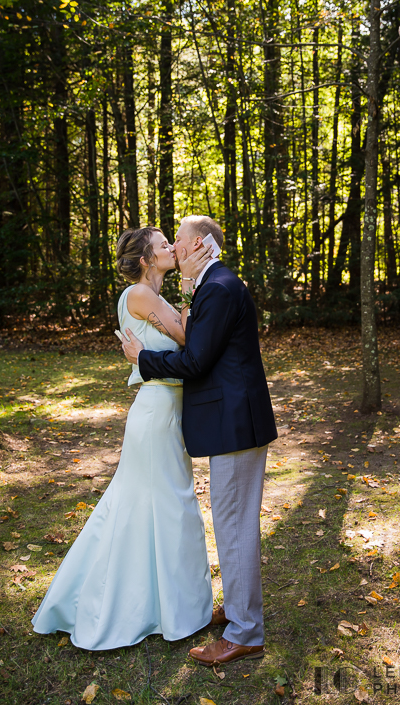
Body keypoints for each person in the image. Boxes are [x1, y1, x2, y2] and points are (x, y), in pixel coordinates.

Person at [32, 227, 214, 650]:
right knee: (167, 505)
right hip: (155, 411)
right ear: (147, 259)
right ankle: (140, 607)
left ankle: (163, 605)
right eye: (164, 245)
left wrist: (185, 289)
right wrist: (189, 281)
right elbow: (189, 338)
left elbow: (186, 338)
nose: (172, 248)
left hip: (167, 409)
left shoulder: (155, 297)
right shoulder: (141, 295)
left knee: (155, 505)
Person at [121, 215, 277, 666]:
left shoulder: (221, 287)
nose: (176, 248)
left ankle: (246, 632)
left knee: (234, 526)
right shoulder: (210, 285)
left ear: (200, 245)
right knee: (232, 522)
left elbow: (195, 361)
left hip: (236, 424)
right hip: (232, 422)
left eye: (181, 242)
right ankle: (240, 612)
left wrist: (142, 359)